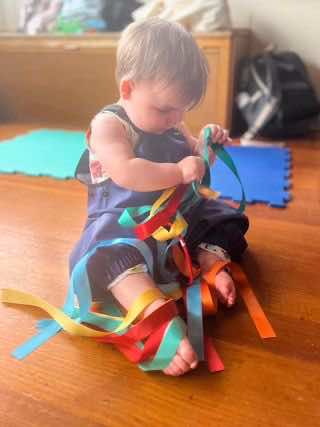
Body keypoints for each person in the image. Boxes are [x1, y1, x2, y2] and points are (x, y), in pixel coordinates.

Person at [70, 17, 249, 376]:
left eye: (183, 109)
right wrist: (178, 171)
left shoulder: (171, 118)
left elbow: (192, 163)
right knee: (112, 258)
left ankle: (207, 259)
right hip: (126, 222)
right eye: (166, 109)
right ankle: (150, 312)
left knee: (223, 217)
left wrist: (205, 146)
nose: (176, 118)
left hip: (175, 213)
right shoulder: (109, 125)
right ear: (128, 88)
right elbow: (127, 171)